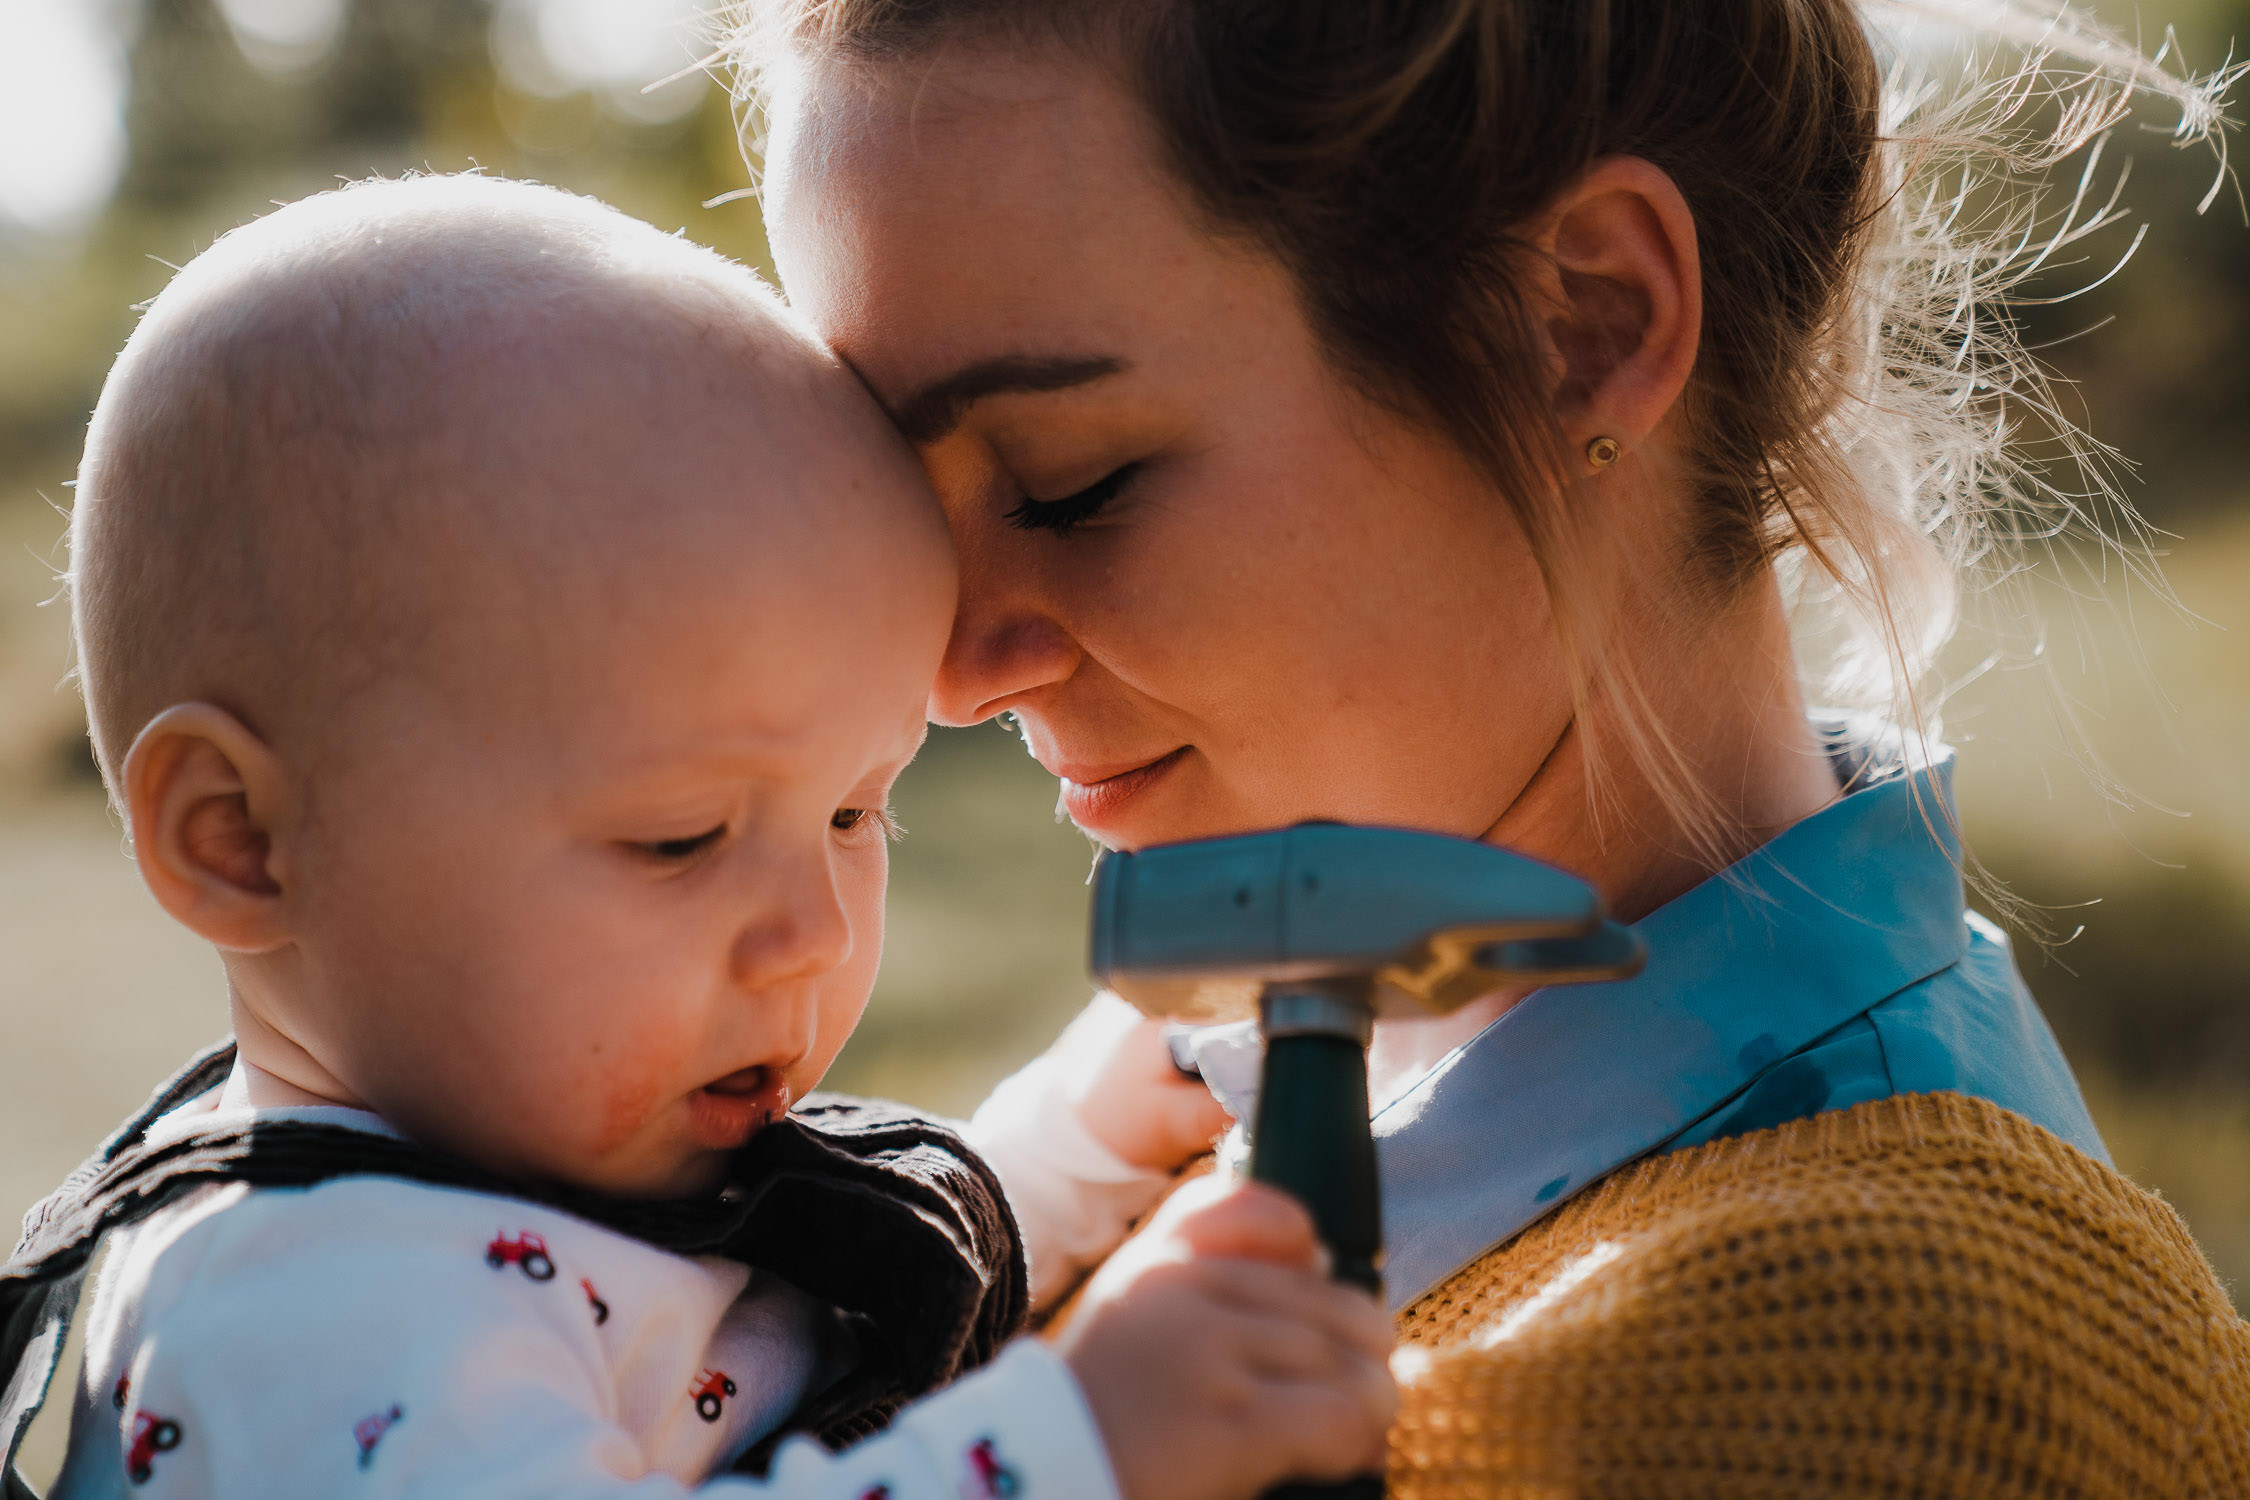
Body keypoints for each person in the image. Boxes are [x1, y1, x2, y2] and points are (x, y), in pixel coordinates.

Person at [730, 0, 2250, 1490]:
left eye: (1069, 482)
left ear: (1583, 324)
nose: (947, 676)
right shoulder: (1181, 1102)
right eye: (903, 504)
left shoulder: (1898, 1358)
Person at [12, 173, 1395, 1500]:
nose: (818, 933)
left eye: (857, 810)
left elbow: (797, 1332)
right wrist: (1068, 1448)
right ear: (243, 840)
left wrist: (1077, 1139)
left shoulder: (524, 1167)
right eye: (680, 838)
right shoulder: (307, 1314)